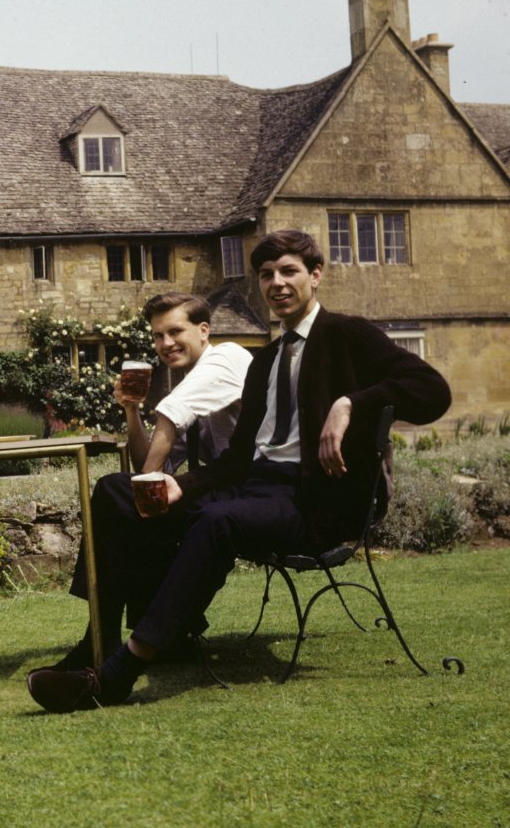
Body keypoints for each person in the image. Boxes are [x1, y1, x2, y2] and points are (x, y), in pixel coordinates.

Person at [28, 230, 451, 712]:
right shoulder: (265, 359)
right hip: (256, 489)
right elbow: (235, 459)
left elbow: (432, 390)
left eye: (289, 271)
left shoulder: (347, 335)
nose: (277, 283)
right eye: (267, 275)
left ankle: (120, 673)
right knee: (115, 489)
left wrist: (350, 402)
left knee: (217, 521)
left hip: (318, 502)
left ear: (315, 276)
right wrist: (178, 485)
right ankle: (97, 643)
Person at [35, 292, 252, 675]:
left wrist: (139, 491)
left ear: (204, 331)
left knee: (114, 493)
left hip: (249, 490)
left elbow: (150, 469)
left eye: (174, 332)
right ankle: (148, 633)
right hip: (213, 489)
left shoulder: (227, 357)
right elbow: (152, 462)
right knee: (119, 498)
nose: (165, 344)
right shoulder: (190, 388)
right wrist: (131, 411)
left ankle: (100, 640)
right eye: (157, 336)